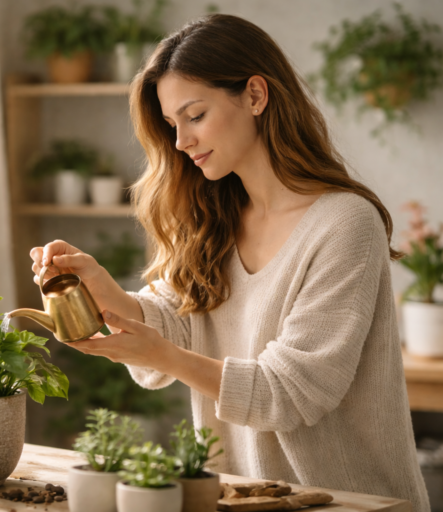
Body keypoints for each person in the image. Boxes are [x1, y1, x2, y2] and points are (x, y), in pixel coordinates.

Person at [30, 14, 429, 512]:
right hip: (242, 500)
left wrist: (165, 356)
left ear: (256, 95)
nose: (181, 142)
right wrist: (104, 293)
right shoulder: (212, 218)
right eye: (172, 125)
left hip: (351, 503)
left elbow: (291, 392)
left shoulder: (345, 224)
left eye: (195, 116)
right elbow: (177, 322)